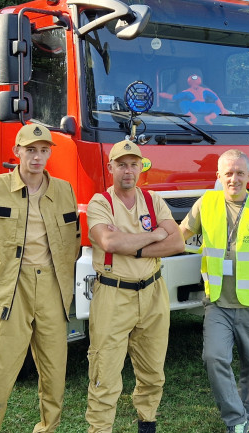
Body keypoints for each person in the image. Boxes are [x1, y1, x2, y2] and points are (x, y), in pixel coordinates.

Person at [0, 123, 81, 433]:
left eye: (43, 151)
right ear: (16, 151)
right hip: (11, 290)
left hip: (52, 290)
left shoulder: (64, 190)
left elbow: (75, 240)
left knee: (55, 373)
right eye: (30, 150)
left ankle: (48, 428)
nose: (37, 157)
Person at [179, 149, 249, 433]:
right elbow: (179, 235)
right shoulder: (207, 202)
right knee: (214, 357)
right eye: (228, 173)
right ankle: (236, 418)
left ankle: (247, 421)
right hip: (218, 302)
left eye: (240, 173)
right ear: (218, 176)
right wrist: (144, 243)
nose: (234, 179)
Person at [84, 140, 185, 433]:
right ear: (111, 167)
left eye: (133, 164)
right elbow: (110, 242)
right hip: (113, 294)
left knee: (153, 370)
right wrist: (154, 234)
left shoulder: (153, 200)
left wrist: (135, 246)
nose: (128, 171)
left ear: (141, 167)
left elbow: (177, 242)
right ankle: (100, 429)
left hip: (152, 292)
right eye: (121, 164)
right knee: (105, 373)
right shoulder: (100, 202)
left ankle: (147, 421)